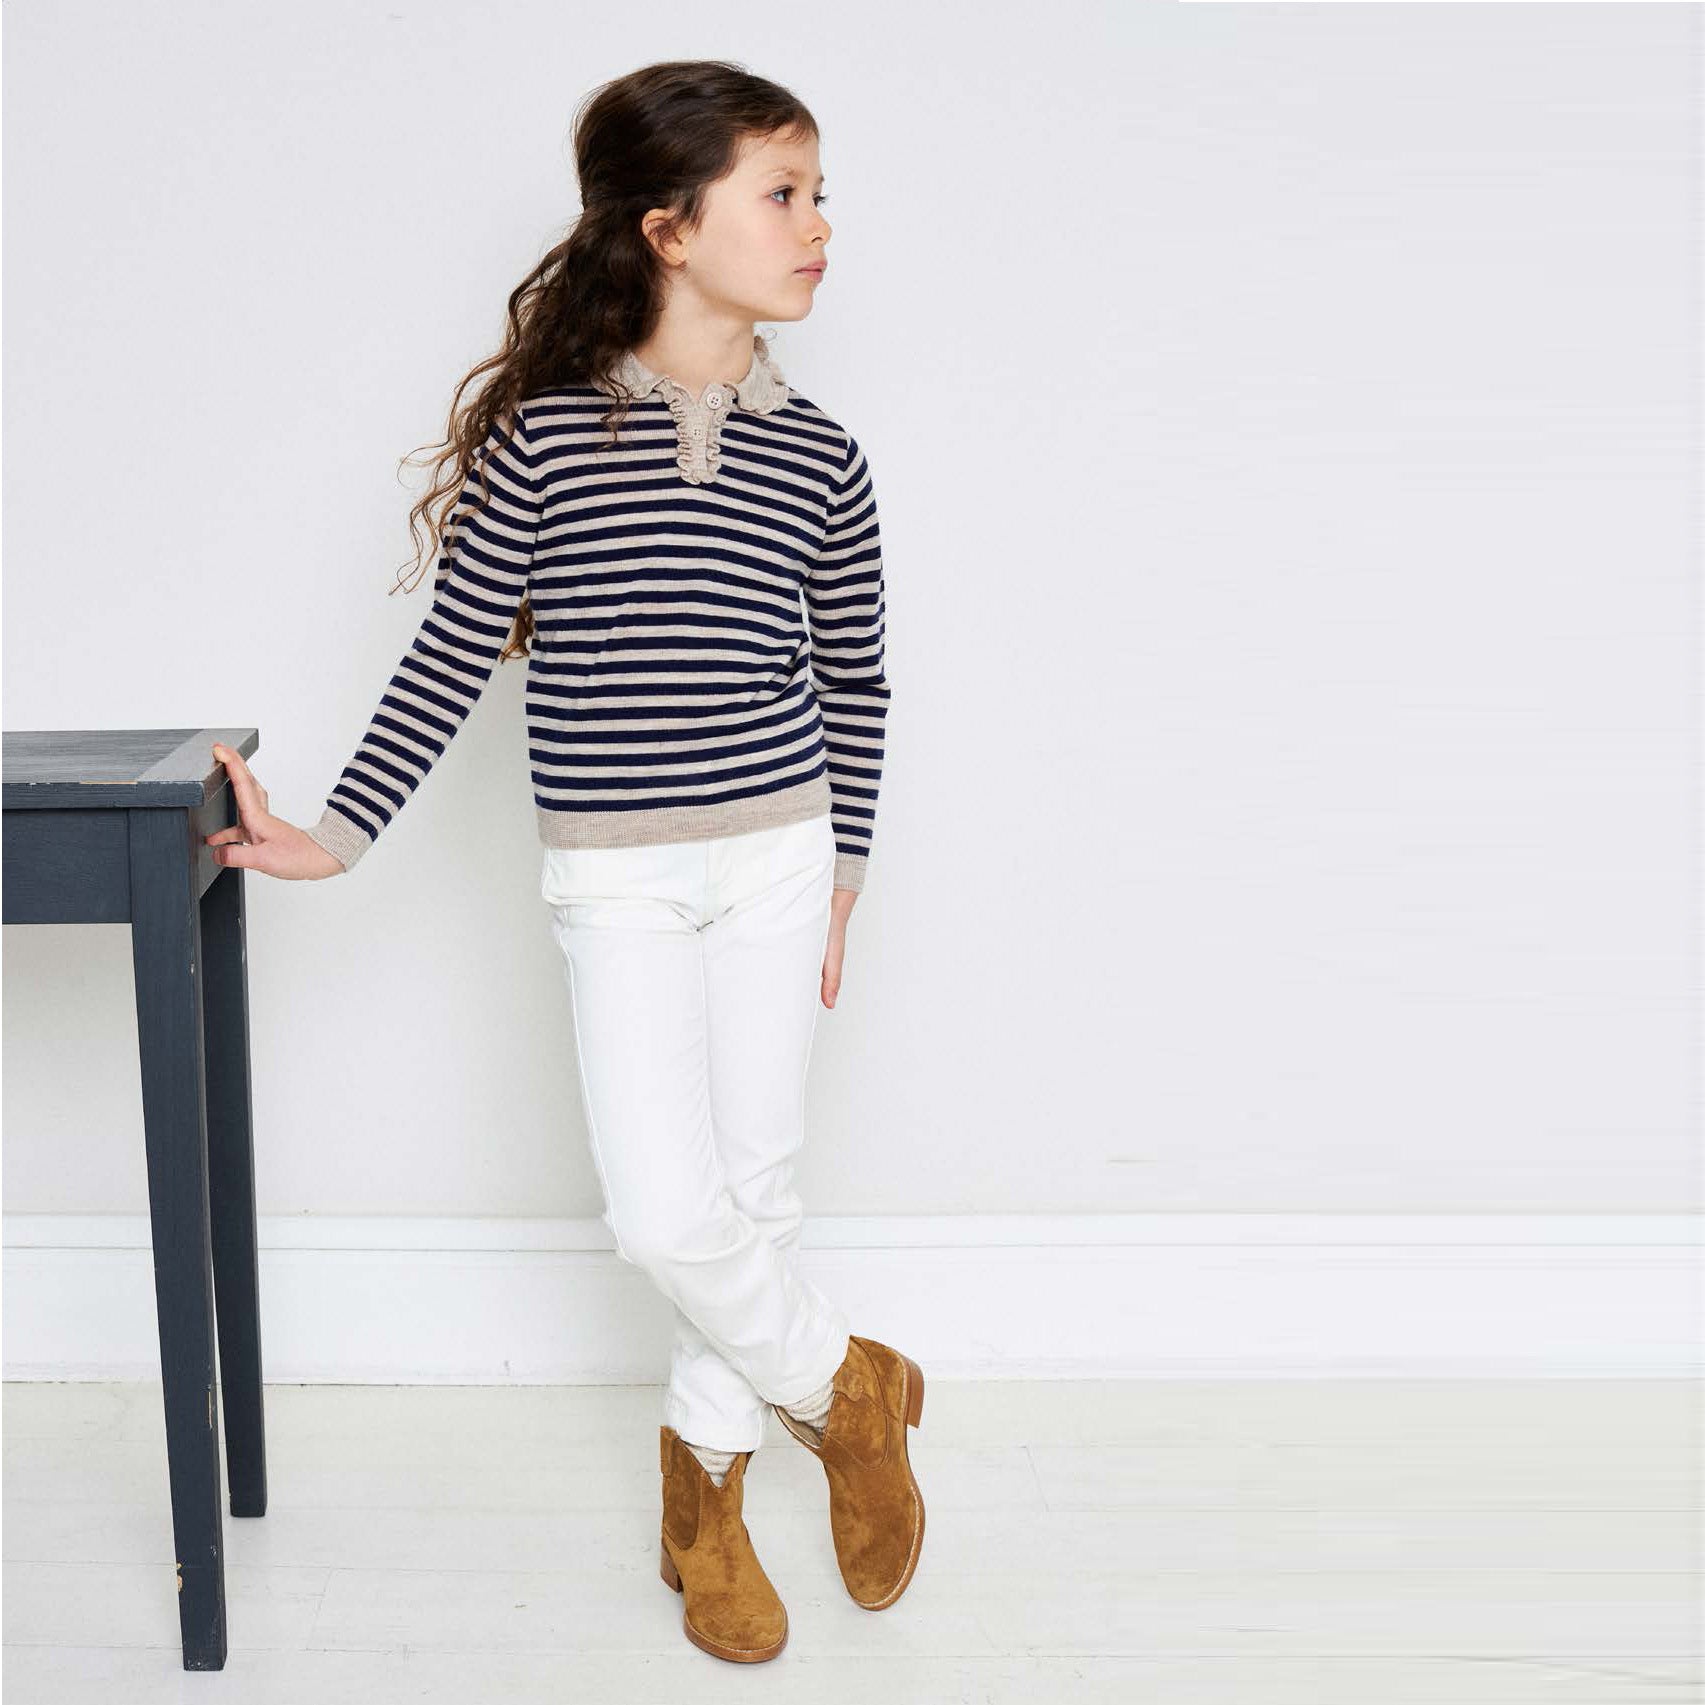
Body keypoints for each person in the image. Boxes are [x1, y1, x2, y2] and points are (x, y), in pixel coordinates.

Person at [203, 59, 925, 1664]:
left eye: (819, 195)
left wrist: (848, 876)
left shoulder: (824, 458)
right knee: (665, 1214)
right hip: (617, 872)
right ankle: (847, 1389)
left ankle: (704, 1508)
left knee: (753, 1190)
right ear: (668, 228)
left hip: (780, 852)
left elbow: (858, 680)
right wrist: (337, 832)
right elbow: (450, 655)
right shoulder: (546, 445)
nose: (818, 227)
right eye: (782, 196)